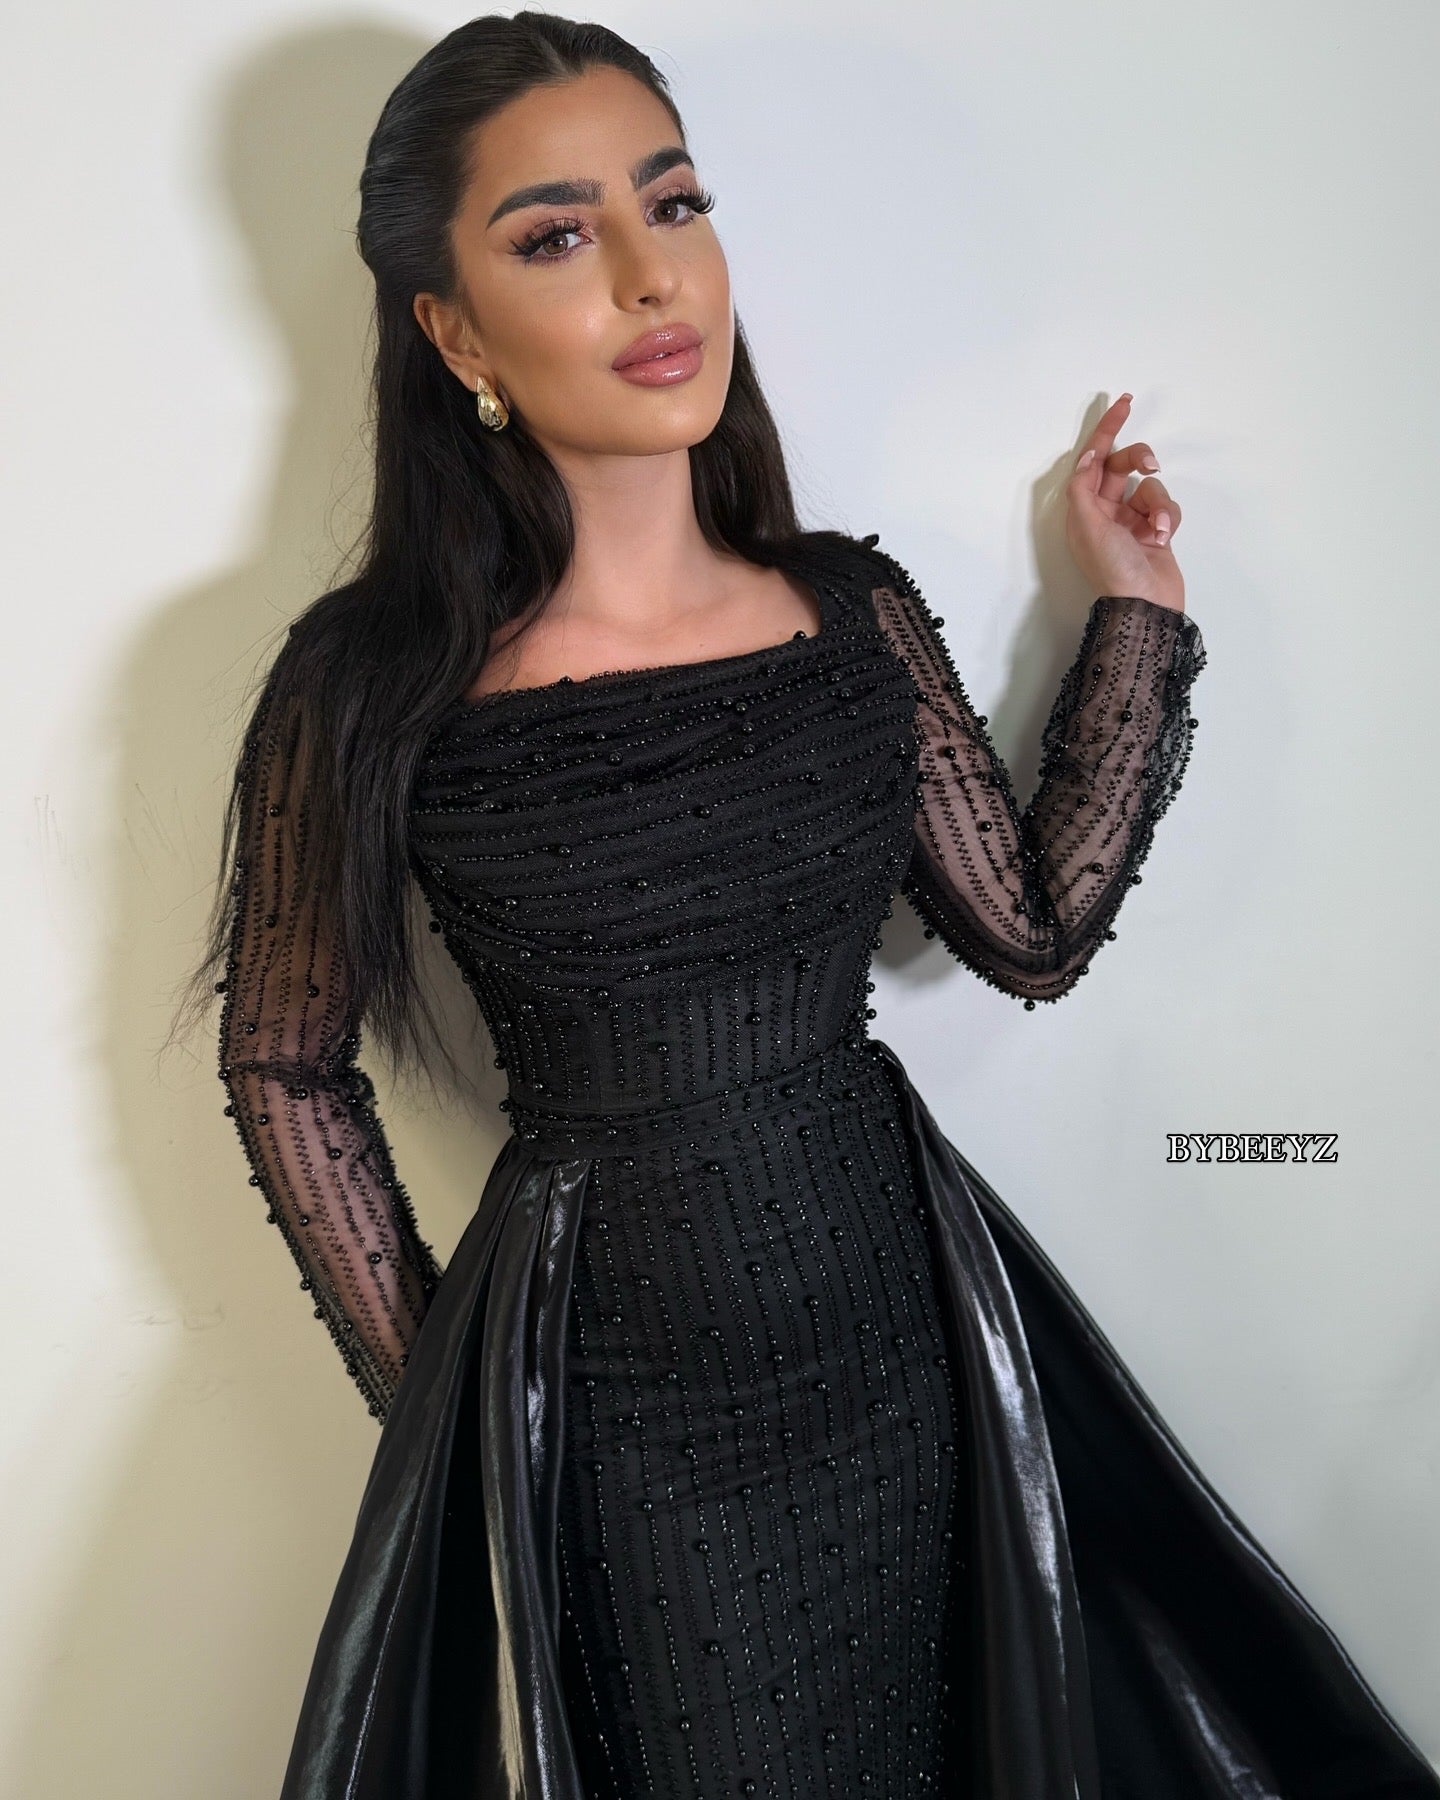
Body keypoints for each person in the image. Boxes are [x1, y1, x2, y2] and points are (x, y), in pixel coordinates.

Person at [182, 13, 1439, 1797]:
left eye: (673, 203)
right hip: (621, 1428)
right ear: (451, 331)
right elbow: (284, 1060)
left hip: (907, 1352)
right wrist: (462, 1420)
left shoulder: (847, 614)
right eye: (556, 235)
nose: (649, 275)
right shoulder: (370, 686)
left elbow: (1026, 931)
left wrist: (1135, 613)